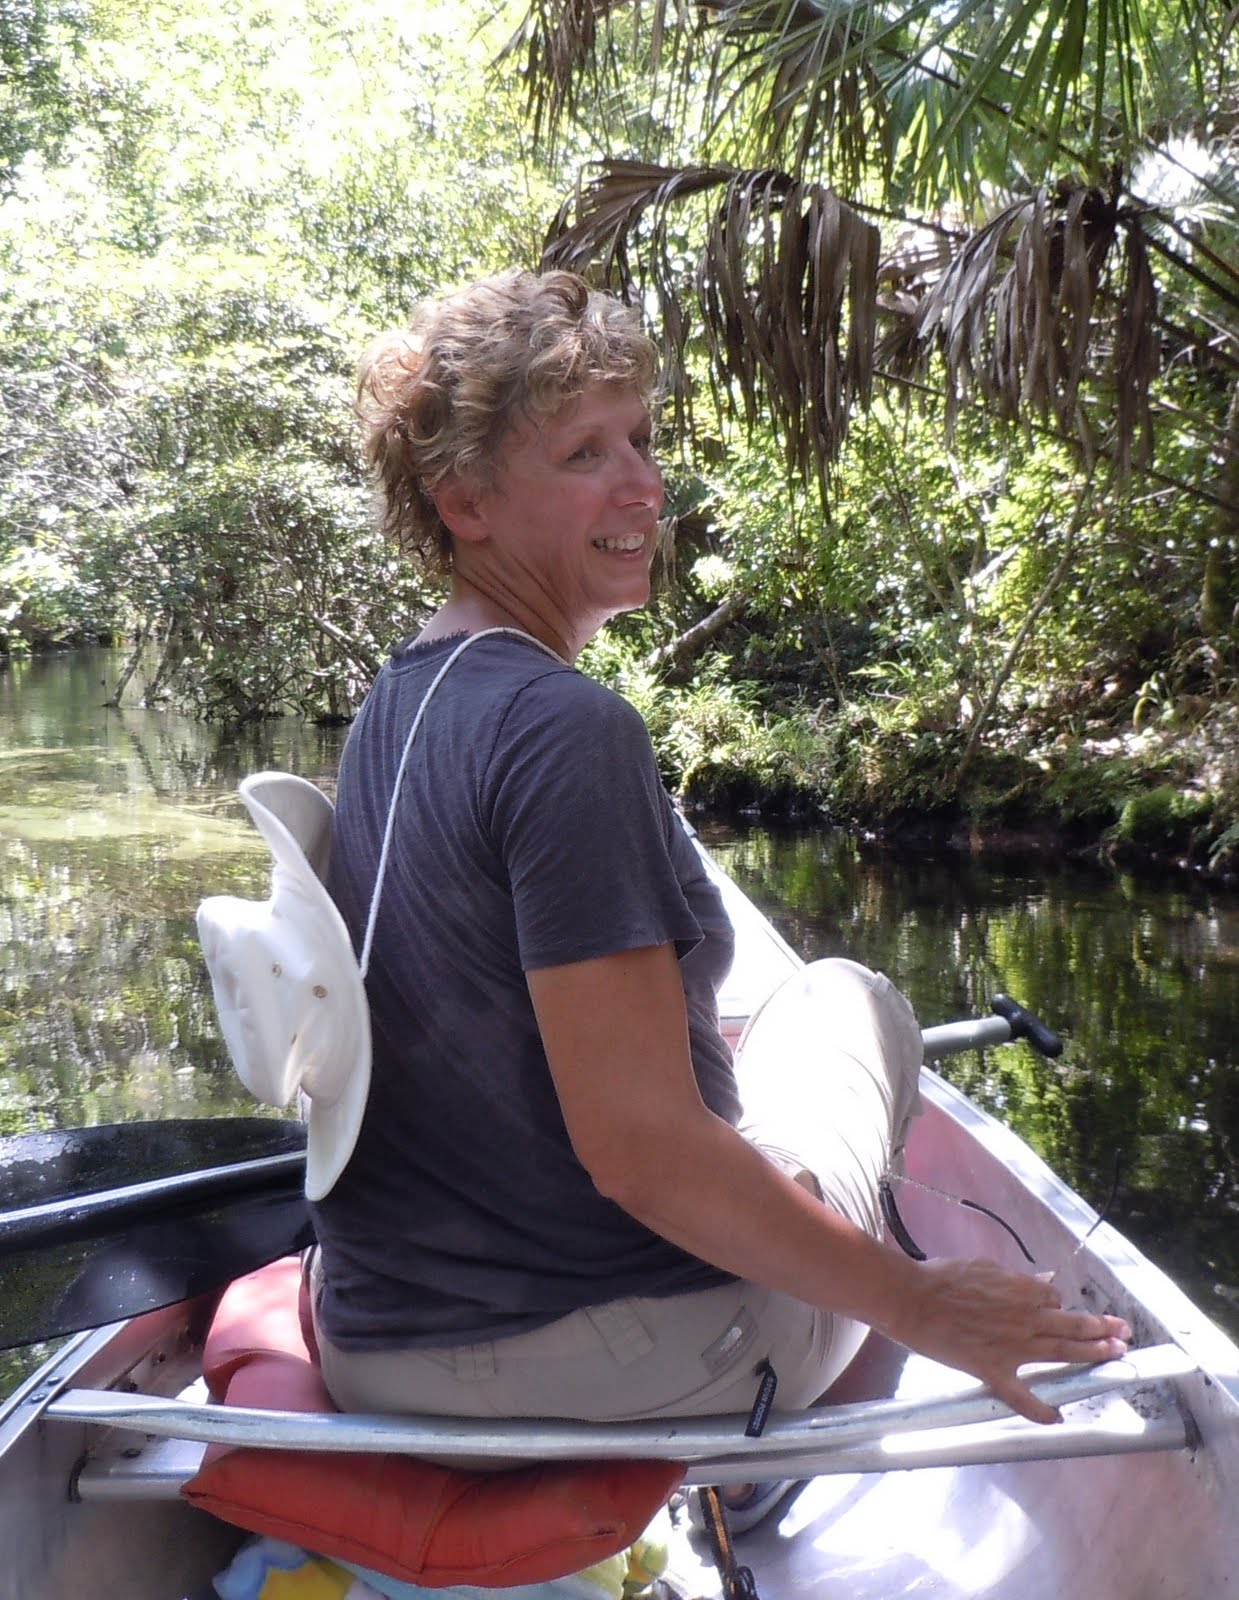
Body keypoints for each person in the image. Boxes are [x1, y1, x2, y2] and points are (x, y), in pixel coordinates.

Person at [307, 268, 1129, 1449]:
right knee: (857, 1000)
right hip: (596, 1355)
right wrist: (920, 1304)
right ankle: (770, 1455)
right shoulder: (566, 729)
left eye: (640, 439)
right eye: (584, 453)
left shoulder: (398, 695)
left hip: (375, 1342)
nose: (644, 483)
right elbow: (641, 1154)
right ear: (465, 503)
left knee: (794, 1030)